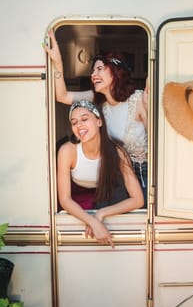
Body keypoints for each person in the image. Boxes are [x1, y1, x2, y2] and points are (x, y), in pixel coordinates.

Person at [44, 29, 148, 208]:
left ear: (116, 71)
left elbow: (159, 147)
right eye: (92, 71)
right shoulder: (99, 102)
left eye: (99, 69)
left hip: (144, 175)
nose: (93, 75)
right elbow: (61, 96)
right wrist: (58, 63)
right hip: (115, 177)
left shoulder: (139, 100)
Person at [57, 99, 144, 247]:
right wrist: (92, 221)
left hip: (107, 201)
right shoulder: (67, 151)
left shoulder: (117, 152)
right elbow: (65, 199)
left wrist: (101, 214)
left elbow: (138, 199)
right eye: (74, 122)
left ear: (99, 122)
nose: (79, 125)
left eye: (84, 119)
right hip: (77, 205)